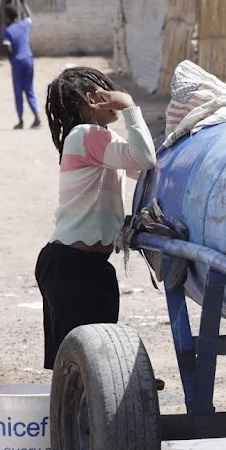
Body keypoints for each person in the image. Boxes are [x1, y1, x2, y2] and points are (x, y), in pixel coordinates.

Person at [34, 67, 157, 370]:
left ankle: (105, 404)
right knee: (78, 363)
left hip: (89, 266)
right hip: (70, 268)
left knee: (97, 360)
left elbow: (141, 168)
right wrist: (129, 106)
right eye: (108, 91)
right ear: (92, 99)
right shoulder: (86, 136)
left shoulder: (98, 139)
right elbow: (145, 159)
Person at [1, 0, 40, 129]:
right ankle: (37, 116)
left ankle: (21, 120)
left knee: (18, 91)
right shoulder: (24, 25)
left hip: (17, 61)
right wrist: (24, 3)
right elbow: (30, 16)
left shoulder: (7, 31)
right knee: (29, 89)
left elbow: (7, 47)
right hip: (28, 58)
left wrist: (11, 60)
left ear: (6, 16)